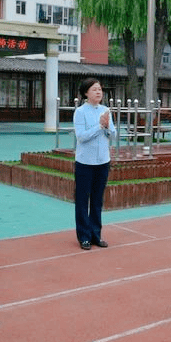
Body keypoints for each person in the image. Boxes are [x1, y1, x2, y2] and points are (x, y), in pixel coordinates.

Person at [74, 78, 116, 250]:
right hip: (85, 163)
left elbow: (113, 135)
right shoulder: (80, 112)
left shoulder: (106, 110)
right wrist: (99, 126)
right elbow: (81, 137)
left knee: (97, 200)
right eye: (94, 89)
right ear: (86, 93)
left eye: (100, 89)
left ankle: (96, 234)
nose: (98, 92)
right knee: (83, 200)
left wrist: (107, 127)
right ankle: (84, 236)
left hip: (102, 162)